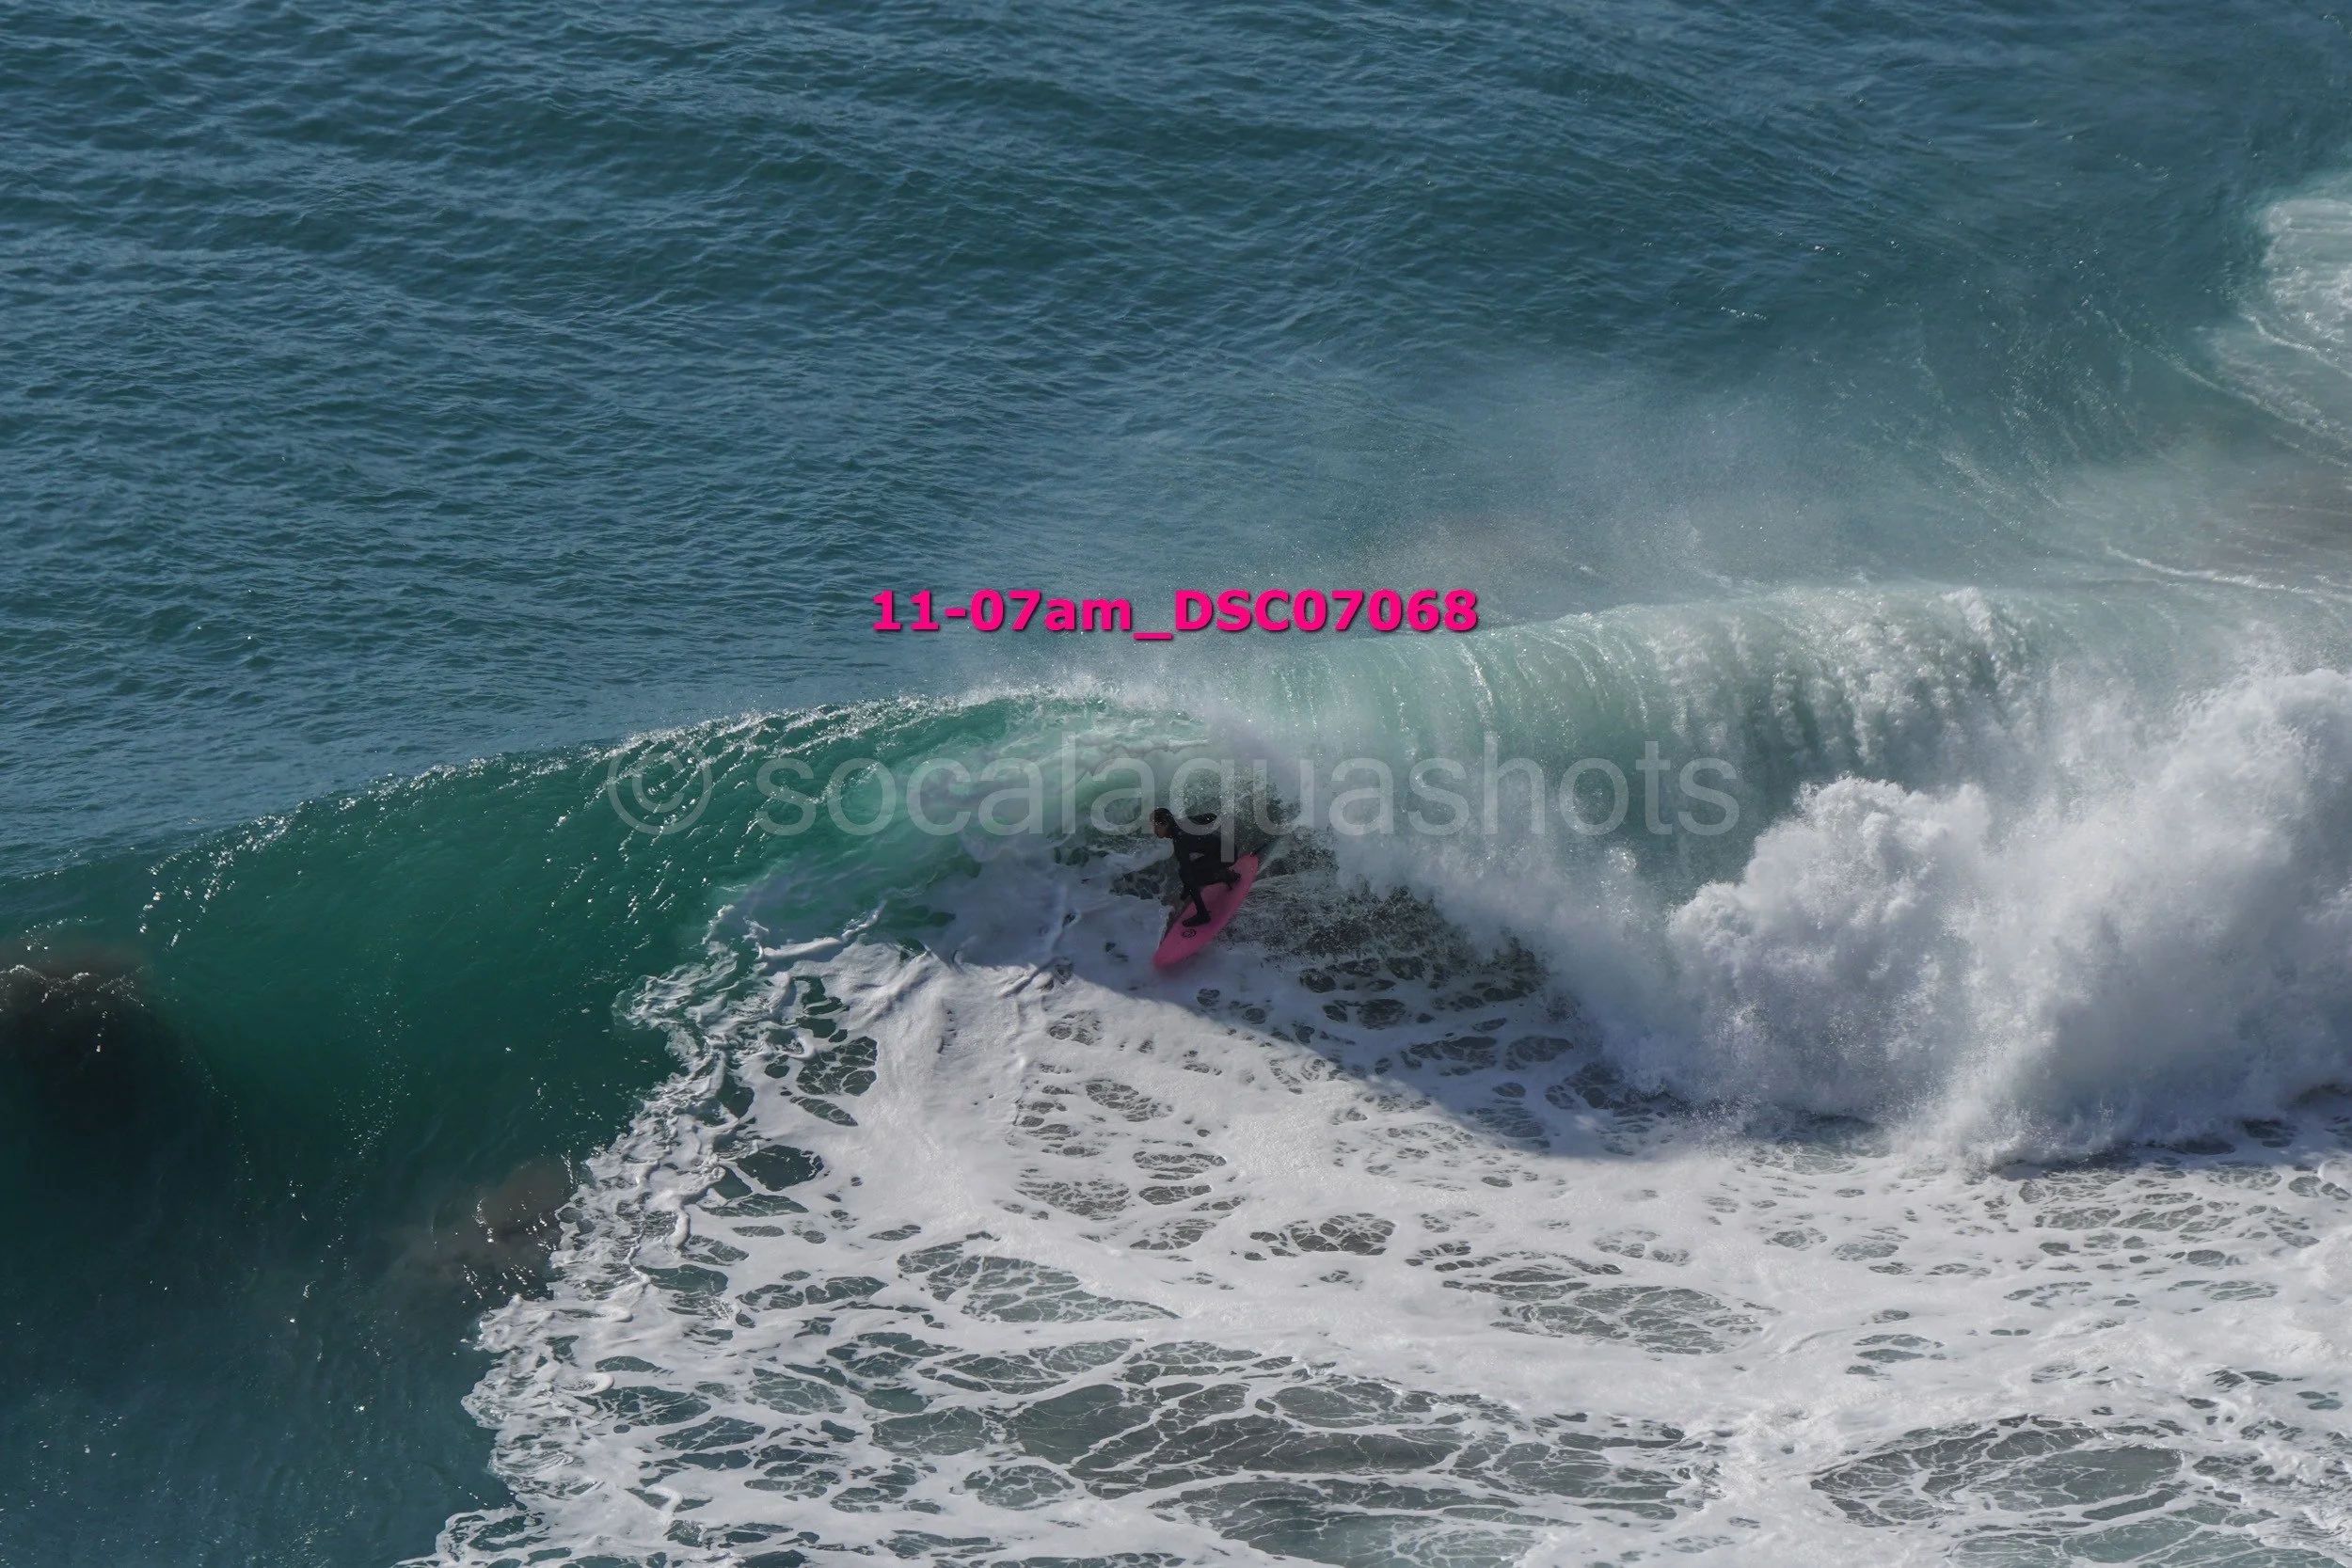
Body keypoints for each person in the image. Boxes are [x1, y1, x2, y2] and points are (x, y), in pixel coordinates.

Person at [1152, 807, 1237, 927]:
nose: (1153, 830)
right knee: (1195, 868)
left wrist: (1182, 898)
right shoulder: (1184, 821)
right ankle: (1226, 874)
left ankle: (1203, 915)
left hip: (1228, 856)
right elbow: (1211, 815)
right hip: (1230, 847)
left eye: (1155, 826)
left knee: (1187, 874)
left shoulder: (1180, 840)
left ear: (1165, 823)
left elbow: (1187, 874)